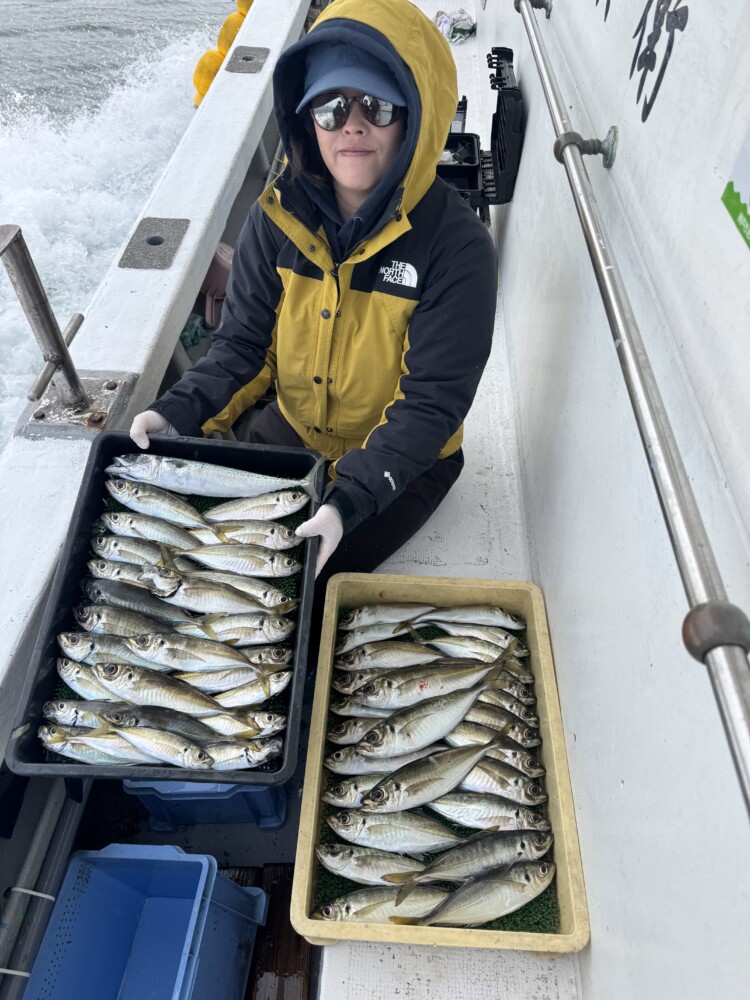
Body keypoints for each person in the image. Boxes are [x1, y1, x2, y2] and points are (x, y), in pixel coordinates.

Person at [130, 0, 498, 596]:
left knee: (305, 589)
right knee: (201, 562)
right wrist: (177, 409)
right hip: (295, 432)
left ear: (413, 118)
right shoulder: (274, 219)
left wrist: (349, 500)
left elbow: (430, 407)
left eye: (376, 106)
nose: (352, 125)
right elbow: (242, 346)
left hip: (406, 463)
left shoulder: (458, 248)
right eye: (331, 107)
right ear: (307, 123)